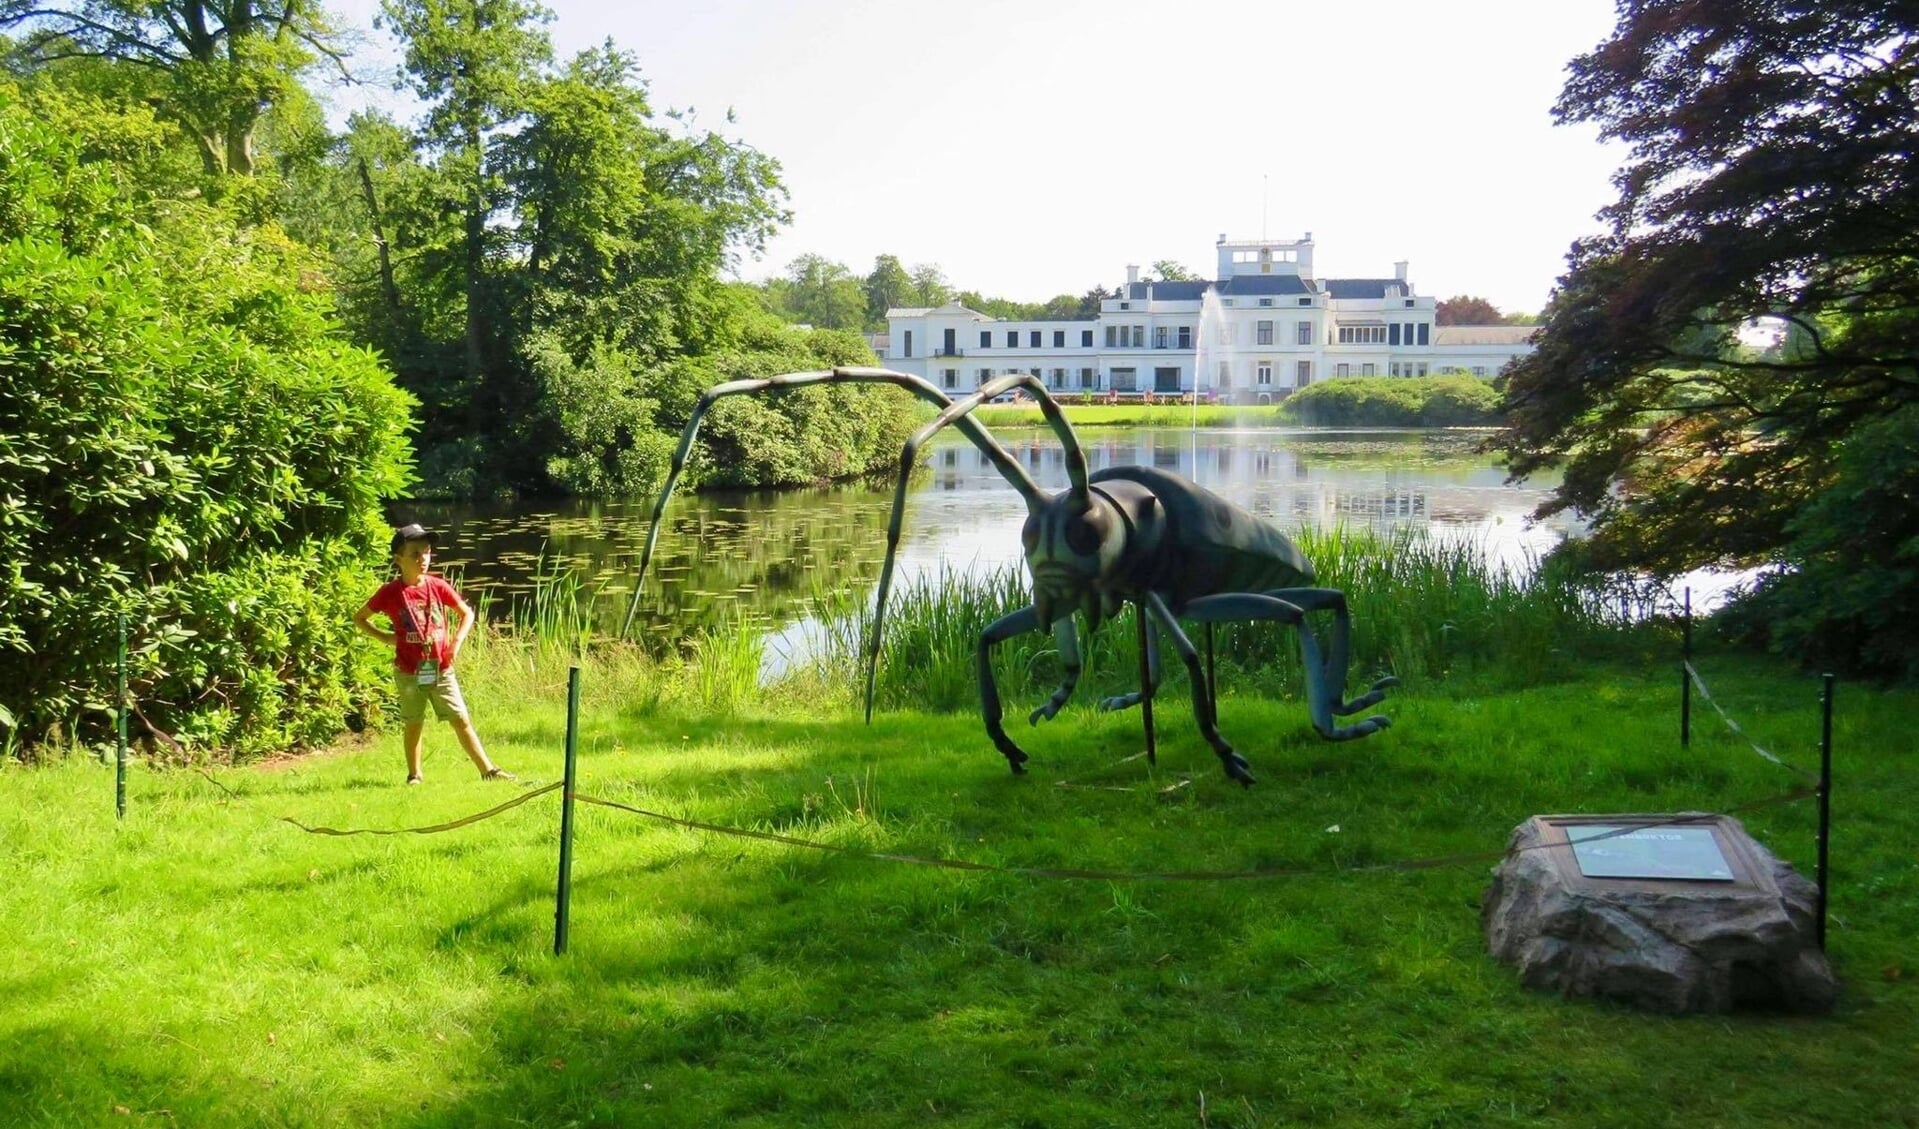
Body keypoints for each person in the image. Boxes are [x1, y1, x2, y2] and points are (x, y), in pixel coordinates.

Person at [353, 523, 513, 784]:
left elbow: (467, 614)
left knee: (460, 718)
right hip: (408, 671)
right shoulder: (390, 593)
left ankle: (488, 771)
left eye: (426, 552)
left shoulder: (437, 586)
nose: (423, 559)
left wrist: (456, 643)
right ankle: (414, 775)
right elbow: (360, 618)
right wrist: (385, 637)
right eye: (415, 553)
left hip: (441, 668)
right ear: (398, 559)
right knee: (414, 722)